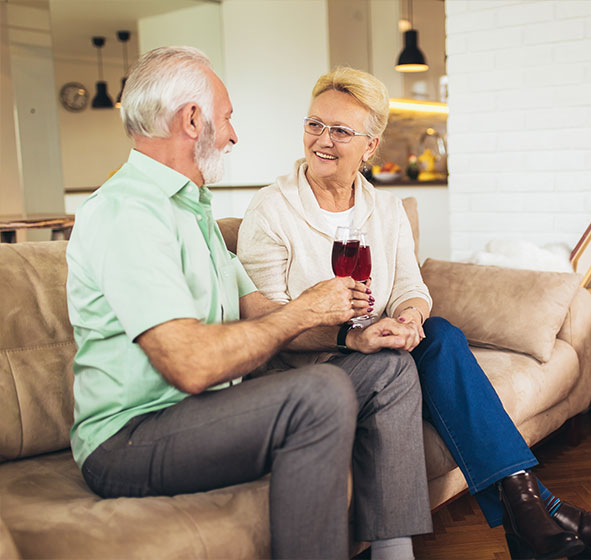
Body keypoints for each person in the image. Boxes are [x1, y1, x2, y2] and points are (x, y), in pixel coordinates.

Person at [237, 66, 591, 560]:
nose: (322, 140)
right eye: (315, 125)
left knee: (440, 334)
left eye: (341, 131)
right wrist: (348, 337)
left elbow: (412, 287)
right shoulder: (271, 210)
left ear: (370, 147)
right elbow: (267, 324)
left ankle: (535, 521)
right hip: (314, 368)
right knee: (401, 360)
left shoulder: (384, 210)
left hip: (381, 347)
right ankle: (550, 519)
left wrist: (411, 317)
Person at [65, 48, 432, 560]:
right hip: (128, 439)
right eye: (228, 117)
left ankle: (395, 555)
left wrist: (350, 334)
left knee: (389, 369)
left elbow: (258, 309)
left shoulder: (191, 211)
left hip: (208, 412)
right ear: (193, 119)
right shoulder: (127, 213)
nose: (233, 136)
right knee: (320, 391)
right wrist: (309, 307)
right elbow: (190, 364)